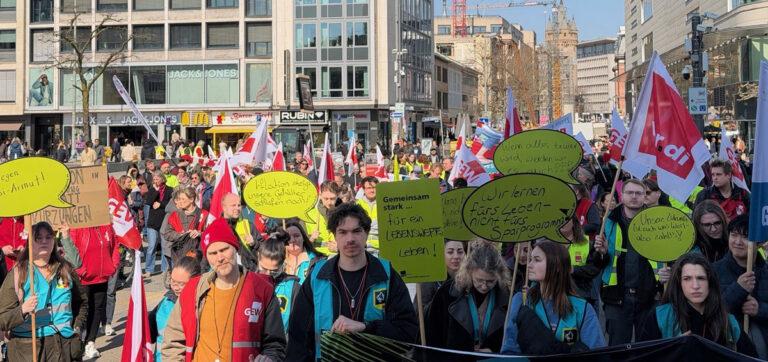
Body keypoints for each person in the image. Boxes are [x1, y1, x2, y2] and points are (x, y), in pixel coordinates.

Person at [286, 203, 418, 361]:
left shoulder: (387, 275)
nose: (350, 239)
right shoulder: (317, 277)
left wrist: (366, 328)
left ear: (366, 234)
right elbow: (298, 338)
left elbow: (407, 332)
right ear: (334, 236)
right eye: (343, 232)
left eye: (356, 231)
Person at [161, 219, 286, 361]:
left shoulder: (263, 290)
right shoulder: (192, 290)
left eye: (224, 250)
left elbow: (276, 344)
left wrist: (270, 358)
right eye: (213, 253)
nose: (219, 258)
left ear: (236, 248)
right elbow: (173, 343)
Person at [593, 179, 666, 345]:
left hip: (649, 296)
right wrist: (602, 253)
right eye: (630, 193)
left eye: (639, 193)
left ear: (644, 197)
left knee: (647, 349)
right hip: (616, 297)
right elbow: (596, 263)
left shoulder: (657, 222)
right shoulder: (608, 223)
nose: (634, 196)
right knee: (618, 348)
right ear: (622, 196)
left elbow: (668, 256)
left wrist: (666, 275)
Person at [0, 222, 88, 361]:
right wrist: (22, 310)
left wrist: (77, 328)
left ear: (54, 240)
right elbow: (2, 319)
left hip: (65, 347)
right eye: (38, 238)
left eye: (48, 237)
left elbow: (82, 303)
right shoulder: (18, 274)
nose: (44, 241)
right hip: (28, 350)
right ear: (30, 242)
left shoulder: (65, 269)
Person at [640, 253, 756, 356]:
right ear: (679, 283)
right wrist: (673, 350)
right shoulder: (661, 317)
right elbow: (642, 357)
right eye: (687, 279)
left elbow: (751, 358)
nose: (695, 286)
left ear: (710, 282)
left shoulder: (729, 322)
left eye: (701, 278)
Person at [501, 241, 606, 355]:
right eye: (530, 259)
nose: (529, 265)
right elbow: (510, 350)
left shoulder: (582, 308)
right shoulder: (521, 300)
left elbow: (597, 354)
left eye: (537, 260)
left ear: (556, 266)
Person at [425, 240, 508, 352]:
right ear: (469, 271)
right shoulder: (447, 293)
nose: (484, 287)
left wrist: (494, 350)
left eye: (490, 281)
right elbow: (433, 334)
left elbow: (511, 338)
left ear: (499, 276)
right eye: (479, 280)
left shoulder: (507, 294)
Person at [714, 215, 768, 358]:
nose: (738, 242)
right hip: (729, 345)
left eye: (745, 237)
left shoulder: (766, 271)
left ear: (759, 242)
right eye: (734, 235)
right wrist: (738, 289)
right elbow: (710, 310)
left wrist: (760, 310)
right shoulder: (713, 271)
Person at [69, 224, 120, 359]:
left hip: (102, 276)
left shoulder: (107, 226)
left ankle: (90, 342)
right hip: (83, 278)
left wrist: (113, 266)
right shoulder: (78, 227)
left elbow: (115, 245)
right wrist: (80, 270)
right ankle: (77, 342)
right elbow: (71, 248)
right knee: (80, 310)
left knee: (97, 309)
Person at [150, 256, 201, 362]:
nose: (176, 287)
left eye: (182, 284)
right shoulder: (165, 302)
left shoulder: (201, 306)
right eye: (173, 282)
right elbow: (149, 333)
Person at [256, 233, 301, 335]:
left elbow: (299, 324)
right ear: (258, 257)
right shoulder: (249, 283)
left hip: (282, 346)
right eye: (263, 269)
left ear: (282, 264)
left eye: (274, 271)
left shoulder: (293, 287)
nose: (268, 275)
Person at [416, 239, 465, 315]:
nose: (456, 256)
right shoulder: (430, 279)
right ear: (442, 254)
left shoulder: (470, 278)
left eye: (460, 252)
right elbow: (418, 314)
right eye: (450, 252)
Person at [161, 187, 210, 263]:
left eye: (183, 199)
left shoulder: (204, 214)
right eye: (179, 199)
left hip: (199, 255)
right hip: (179, 255)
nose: (180, 202)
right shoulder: (174, 215)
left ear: (191, 199)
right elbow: (167, 234)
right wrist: (182, 235)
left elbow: (211, 234)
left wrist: (200, 234)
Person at [145, 171, 174, 278]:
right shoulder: (152, 190)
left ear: (162, 179)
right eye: (154, 179)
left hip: (164, 221)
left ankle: (164, 268)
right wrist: (155, 192)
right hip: (153, 222)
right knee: (152, 246)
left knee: (164, 246)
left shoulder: (170, 190)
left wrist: (161, 204)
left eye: (157, 179)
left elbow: (172, 204)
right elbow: (148, 202)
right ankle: (149, 269)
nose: (155, 181)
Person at [306, 181, 341, 254]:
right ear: (320, 195)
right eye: (326, 198)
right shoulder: (309, 215)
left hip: (338, 258)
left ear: (337, 196)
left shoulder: (344, 215)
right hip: (318, 258)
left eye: (332, 198)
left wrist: (339, 248)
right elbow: (301, 246)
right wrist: (311, 239)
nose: (329, 202)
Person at [356, 176, 380, 252]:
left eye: (374, 187)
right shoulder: (357, 206)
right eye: (369, 188)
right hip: (362, 248)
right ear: (363, 190)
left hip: (381, 248)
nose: (372, 190)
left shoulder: (384, 204)